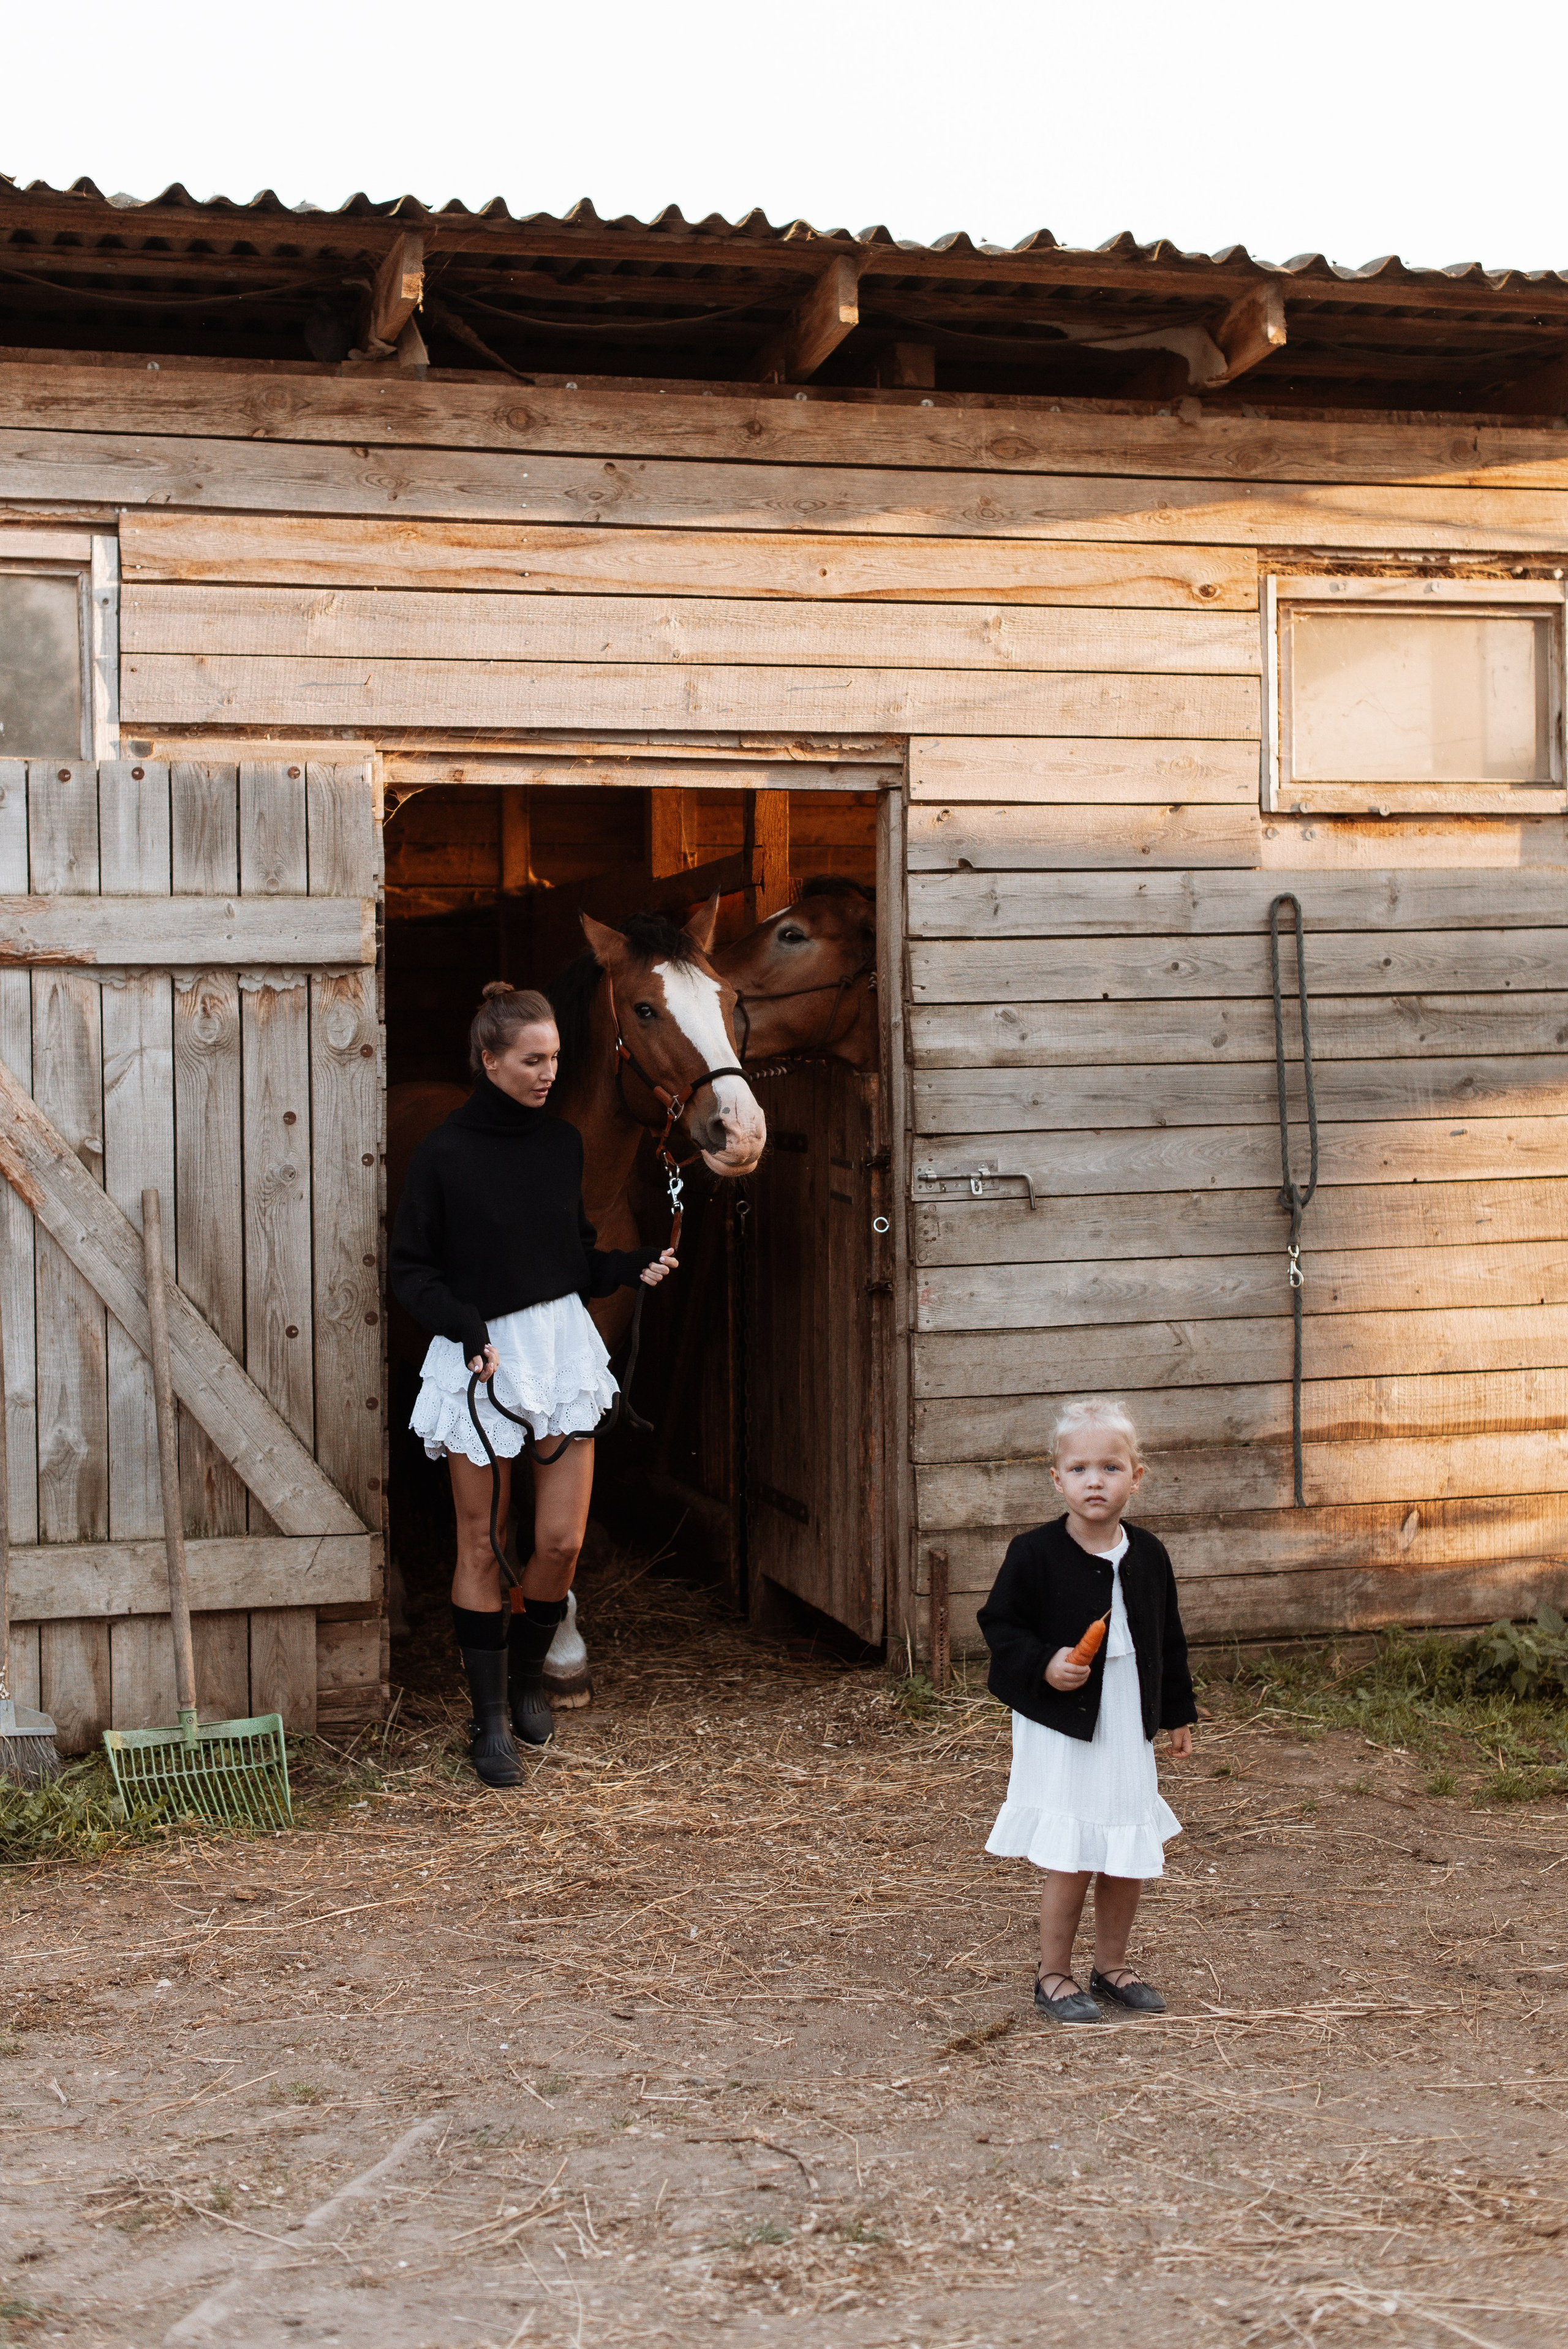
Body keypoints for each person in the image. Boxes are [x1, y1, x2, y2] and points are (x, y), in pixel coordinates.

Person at [390, 983, 676, 1788]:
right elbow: (411, 1270)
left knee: (559, 1541)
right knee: (482, 1540)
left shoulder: (559, 1145)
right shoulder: (444, 1152)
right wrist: (467, 1326)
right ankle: (485, 1720)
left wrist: (628, 1267)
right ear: (490, 1061)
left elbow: (572, 1257)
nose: (550, 1072)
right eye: (533, 1059)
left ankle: (524, 1682)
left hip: (557, 1350)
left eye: (555, 1057)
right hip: (479, 1353)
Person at [978, 1397, 1196, 2024]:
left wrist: (1176, 1710)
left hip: (1127, 1719)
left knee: (1125, 1845)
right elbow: (999, 1624)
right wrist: (1045, 1662)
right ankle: (1052, 1975)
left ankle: (1111, 1967)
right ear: (1057, 1478)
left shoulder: (1148, 1555)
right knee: (1072, 1852)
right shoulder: (1034, 1553)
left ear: (1137, 1475)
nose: (1094, 1480)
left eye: (1109, 1466)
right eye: (1078, 1469)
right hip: (1062, 1725)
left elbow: (1168, 1638)